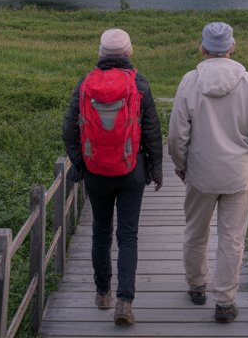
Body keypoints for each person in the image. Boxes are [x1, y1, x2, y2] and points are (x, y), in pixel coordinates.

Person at [168, 21, 248, 324]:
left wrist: (181, 164)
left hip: (200, 172)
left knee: (196, 232)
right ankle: (225, 302)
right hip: (237, 175)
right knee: (232, 238)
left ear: (202, 49)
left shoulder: (189, 80)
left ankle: (196, 286)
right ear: (232, 48)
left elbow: (177, 135)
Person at [62, 28, 163, 326]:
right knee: (128, 235)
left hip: (96, 173)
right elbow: (152, 133)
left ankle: (102, 292)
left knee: (101, 232)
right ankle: (125, 302)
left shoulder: (85, 84)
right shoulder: (139, 83)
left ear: (101, 53)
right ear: (129, 53)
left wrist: (80, 166)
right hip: (132, 170)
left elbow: (69, 131)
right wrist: (156, 169)